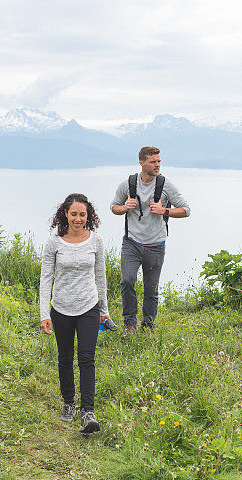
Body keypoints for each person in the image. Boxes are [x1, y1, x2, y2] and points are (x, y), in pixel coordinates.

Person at [40, 193, 110, 434]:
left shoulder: (96, 241)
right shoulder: (54, 243)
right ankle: (69, 403)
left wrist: (104, 311)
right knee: (65, 357)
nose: (78, 219)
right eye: (74, 214)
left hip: (89, 307)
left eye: (82, 214)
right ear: (65, 215)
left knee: (87, 358)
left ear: (88, 215)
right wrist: (43, 314)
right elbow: (45, 279)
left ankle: (88, 412)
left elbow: (101, 277)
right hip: (60, 308)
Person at [111, 146, 191, 334]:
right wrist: (125, 207)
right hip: (131, 242)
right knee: (127, 281)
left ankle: (148, 326)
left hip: (156, 244)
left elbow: (186, 210)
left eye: (159, 161)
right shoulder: (128, 184)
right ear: (141, 162)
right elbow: (114, 207)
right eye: (153, 162)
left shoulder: (166, 185)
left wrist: (164, 210)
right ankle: (130, 324)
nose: (157, 165)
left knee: (151, 288)